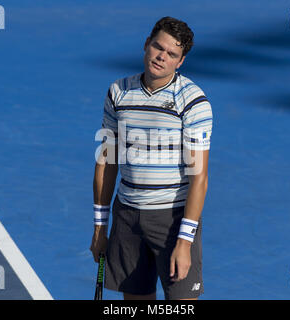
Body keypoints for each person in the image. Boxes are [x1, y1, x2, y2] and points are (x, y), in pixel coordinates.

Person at [90, 16, 212, 300]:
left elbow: (200, 178)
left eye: (172, 54)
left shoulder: (192, 101)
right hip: (127, 217)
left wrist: (184, 241)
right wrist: (100, 227)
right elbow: (107, 162)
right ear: (146, 45)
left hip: (172, 221)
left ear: (180, 62)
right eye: (158, 47)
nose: (162, 57)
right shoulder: (118, 93)